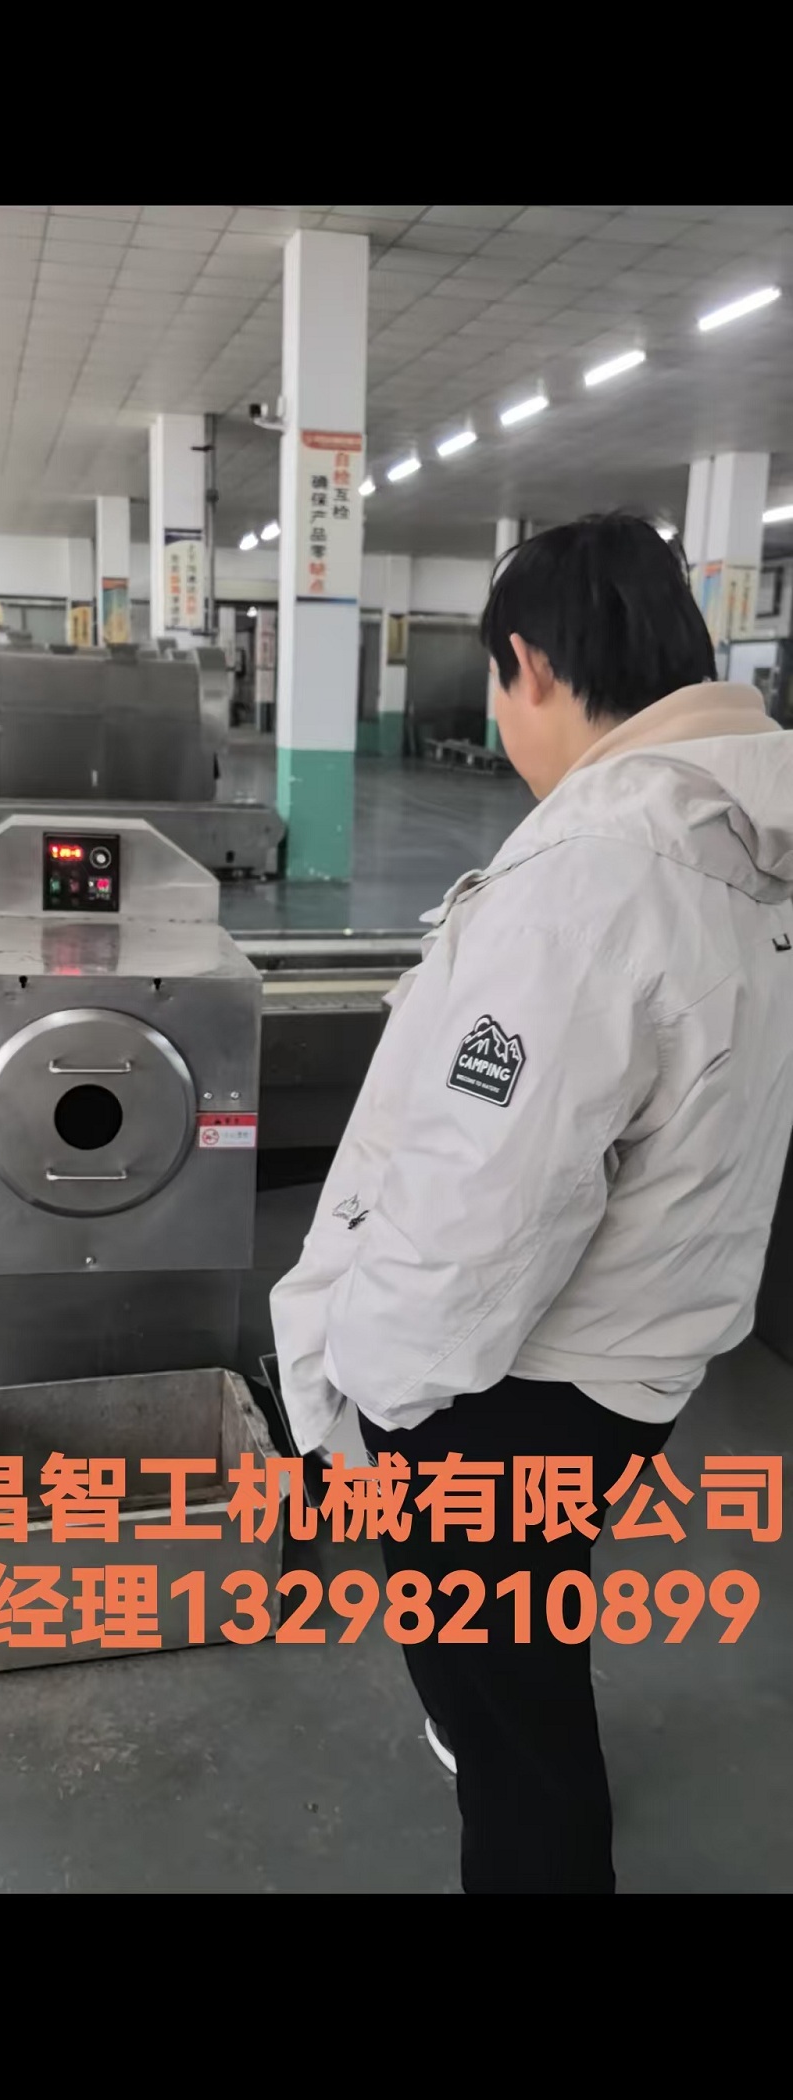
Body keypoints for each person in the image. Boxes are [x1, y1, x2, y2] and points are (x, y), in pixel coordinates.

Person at [271, 512, 793, 1896]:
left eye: (499, 685)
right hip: (643, 1353)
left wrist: (366, 1395)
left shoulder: (593, 881)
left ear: (532, 667)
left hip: (518, 1386)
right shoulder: (743, 846)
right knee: (515, 1631)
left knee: (514, 1714)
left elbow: (478, 1210)